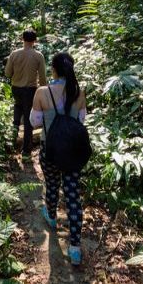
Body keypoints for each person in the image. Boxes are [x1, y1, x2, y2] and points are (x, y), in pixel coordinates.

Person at [29, 52, 87, 266]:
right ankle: (75, 247)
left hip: (50, 150)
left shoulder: (42, 92)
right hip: (73, 151)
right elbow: (81, 120)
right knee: (72, 194)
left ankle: (51, 217)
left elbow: (35, 122)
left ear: (53, 69)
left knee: (52, 185)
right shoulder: (79, 92)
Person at [4, 29, 47, 156]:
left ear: (22, 39)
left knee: (17, 107)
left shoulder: (14, 54)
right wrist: (44, 91)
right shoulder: (38, 56)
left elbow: (7, 73)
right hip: (30, 90)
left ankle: (12, 136)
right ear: (35, 41)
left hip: (16, 88)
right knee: (28, 118)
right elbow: (43, 78)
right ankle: (26, 151)